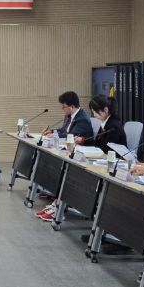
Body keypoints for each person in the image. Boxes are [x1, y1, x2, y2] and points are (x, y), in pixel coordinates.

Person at [36, 91, 93, 222]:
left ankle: (58, 205)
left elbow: (71, 136)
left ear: (71, 106)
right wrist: (52, 131)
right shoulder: (69, 116)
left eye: (64, 106)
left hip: (81, 157)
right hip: (69, 152)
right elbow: (64, 131)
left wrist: (55, 136)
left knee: (64, 172)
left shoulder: (82, 119)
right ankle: (56, 201)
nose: (62, 109)